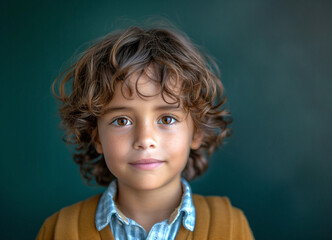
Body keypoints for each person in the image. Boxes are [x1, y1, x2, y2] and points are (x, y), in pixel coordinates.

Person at [36, 25, 254, 239]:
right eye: (122, 121)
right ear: (96, 136)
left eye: (167, 119)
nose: (145, 139)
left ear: (196, 133)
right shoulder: (59, 230)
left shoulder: (231, 227)